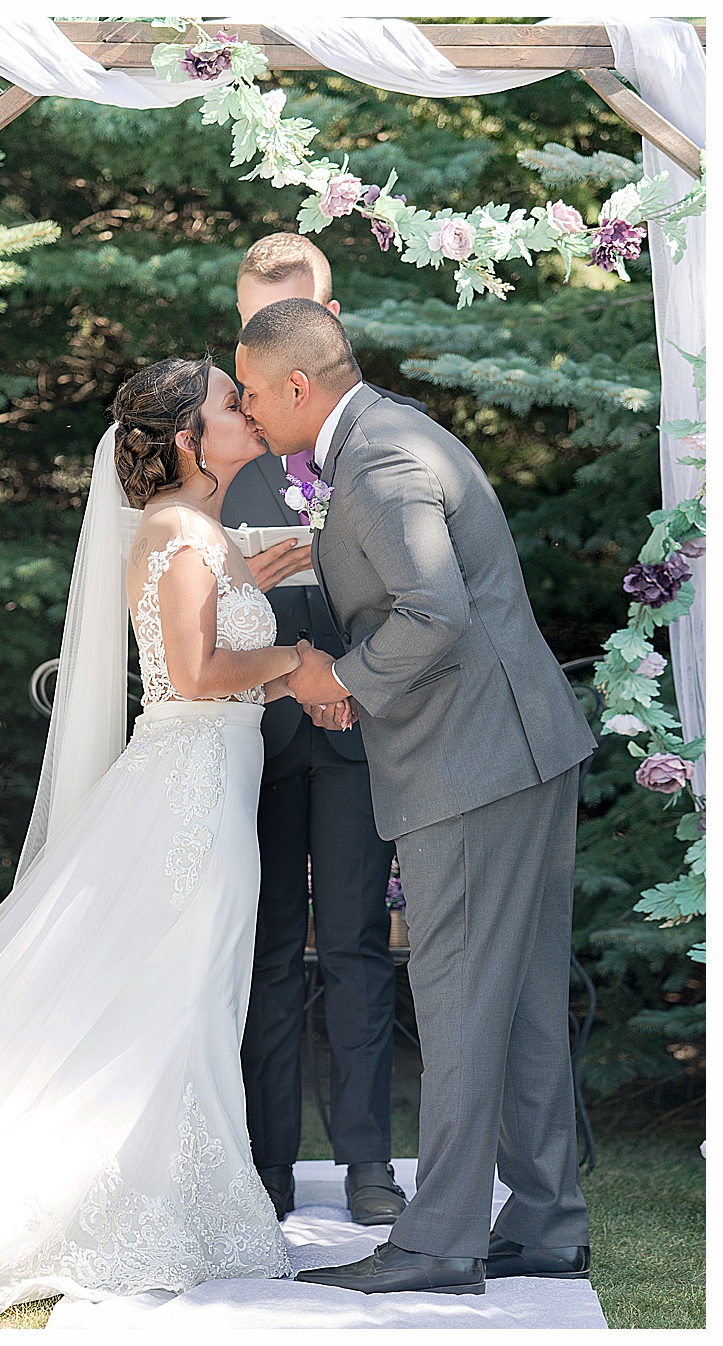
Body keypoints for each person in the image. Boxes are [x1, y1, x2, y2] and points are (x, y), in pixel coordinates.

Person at [0, 358, 316, 1319]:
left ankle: (183, 1199)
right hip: (190, 794)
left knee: (192, 987)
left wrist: (257, 603)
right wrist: (298, 658)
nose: (244, 412)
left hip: (211, 782)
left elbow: (209, 649)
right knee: (179, 987)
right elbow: (195, 670)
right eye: (228, 403)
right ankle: (148, 1206)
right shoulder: (178, 529)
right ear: (187, 437)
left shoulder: (195, 529)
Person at [238, 298, 594, 1295]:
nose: (252, 413)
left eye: (257, 393)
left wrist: (340, 679)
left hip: (474, 761)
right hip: (512, 749)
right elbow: (419, 584)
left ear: (298, 384)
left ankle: (439, 1240)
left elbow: (433, 611)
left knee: (457, 995)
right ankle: (548, 1220)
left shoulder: (381, 457)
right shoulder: (386, 437)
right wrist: (324, 557)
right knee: (518, 996)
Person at [224, 233, 418, 1226]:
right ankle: (263, 1164)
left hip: (351, 727)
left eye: (283, 314)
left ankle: (369, 1165)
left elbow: (419, 586)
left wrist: (341, 677)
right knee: (259, 951)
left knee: (352, 944)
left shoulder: (385, 433)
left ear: (326, 318)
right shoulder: (218, 435)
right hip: (251, 737)